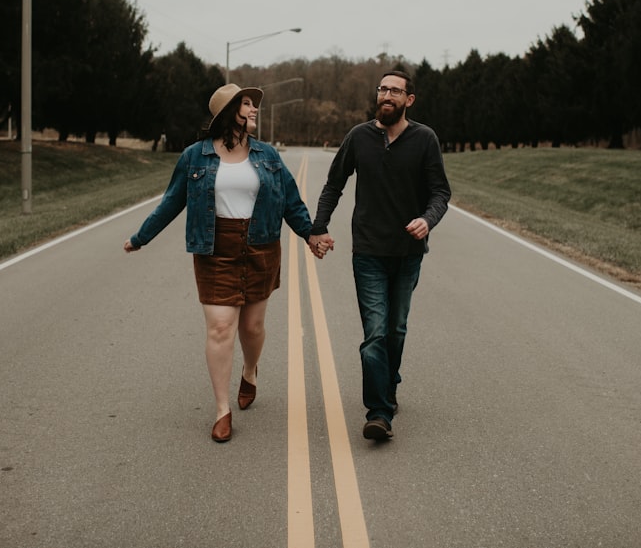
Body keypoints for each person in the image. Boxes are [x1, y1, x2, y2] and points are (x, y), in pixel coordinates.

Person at [124, 83, 317, 443]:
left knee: (253, 327)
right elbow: (171, 202)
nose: (255, 109)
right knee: (220, 328)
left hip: (260, 244)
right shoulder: (194, 157)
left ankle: (249, 370)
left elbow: (290, 200)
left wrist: (311, 235)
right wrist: (141, 237)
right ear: (230, 112)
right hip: (214, 248)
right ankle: (222, 410)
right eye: (247, 104)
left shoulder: (268, 156)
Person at [308, 69, 451, 441]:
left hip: (407, 253)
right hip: (368, 251)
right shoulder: (359, 137)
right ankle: (379, 412)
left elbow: (440, 192)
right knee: (375, 333)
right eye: (382, 89)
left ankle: (389, 384)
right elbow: (334, 185)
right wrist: (318, 227)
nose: (387, 95)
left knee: (395, 328)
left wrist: (427, 219)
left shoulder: (424, 139)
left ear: (409, 99)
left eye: (395, 91)